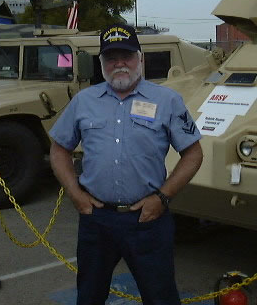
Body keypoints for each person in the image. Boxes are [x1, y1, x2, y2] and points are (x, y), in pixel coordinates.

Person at [49, 23, 203, 305]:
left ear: (140, 58)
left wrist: (163, 197)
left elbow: (193, 154)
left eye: (127, 56)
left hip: (148, 219)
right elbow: (59, 149)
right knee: (89, 296)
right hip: (97, 219)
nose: (119, 64)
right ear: (101, 63)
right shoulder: (84, 101)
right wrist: (75, 193)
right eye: (111, 57)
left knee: (161, 297)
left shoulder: (167, 100)